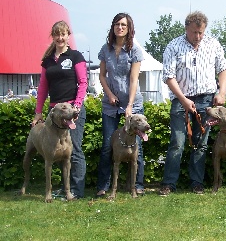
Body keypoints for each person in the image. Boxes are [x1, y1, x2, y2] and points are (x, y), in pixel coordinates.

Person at [159, 11, 226, 196]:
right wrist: (183, 99)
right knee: (177, 142)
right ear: (186, 29)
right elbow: (168, 76)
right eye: (194, 33)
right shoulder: (173, 46)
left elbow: (223, 69)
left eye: (201, 33)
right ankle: (168, 184)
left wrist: (221, 92)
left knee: (202, 144)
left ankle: (197, 182)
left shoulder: (213, 44)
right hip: (180, 100)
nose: (198, 37)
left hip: (207, 99)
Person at [32, 20, 87, 199]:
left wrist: (76, 107)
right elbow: (42, 88)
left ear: (67, 36)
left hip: (72, 110)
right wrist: (38, 112)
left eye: (63, 34)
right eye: (57, 34)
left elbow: (83, 83)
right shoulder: (47, 61)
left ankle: (75, 191)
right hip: (55, 114)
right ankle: (64, 189)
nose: (60, 38)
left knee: (75, 149)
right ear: (53, 37)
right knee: (54, 151)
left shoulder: (75, 56)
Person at [96, 12, 145, 197]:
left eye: (124, 25)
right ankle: (103, 186)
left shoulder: (135, 50)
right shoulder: (105, 49)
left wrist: (130, 105)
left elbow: (134, 80)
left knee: (136, 146)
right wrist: (109, 94)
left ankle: (137, 185)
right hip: (111, 105)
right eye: (117, 24)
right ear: (113, 27)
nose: (120, 27)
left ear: (129, 28)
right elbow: (102, 75)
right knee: (108, 145)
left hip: (132, 104)